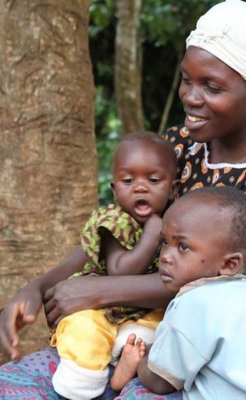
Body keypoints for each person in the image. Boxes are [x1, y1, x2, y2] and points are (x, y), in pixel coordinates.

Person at [0, 0, 246, 398]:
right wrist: (38, 286)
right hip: (141, 329)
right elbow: (118, 226)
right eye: (186, 80)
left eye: (211, 87)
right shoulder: (180, 145)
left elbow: (234, 291)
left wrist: (100, 291)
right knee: (14, 385)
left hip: (218, 362)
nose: (191, 98)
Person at [122, 187, 246, 399]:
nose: (165, 256)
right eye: (165, 242)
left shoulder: (193, 303)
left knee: (134, 392)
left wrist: (143, 361)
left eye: (182, 247)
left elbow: (161, 381)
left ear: (229, 264)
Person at [50, 132, 177, 399]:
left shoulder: (177, 221)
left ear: (173, 189)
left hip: (145, 311)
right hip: (103, 307)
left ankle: (126, 362)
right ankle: (81, 381)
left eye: (153, 180)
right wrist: (153, 235)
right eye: (128, 181)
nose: (140, 187)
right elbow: (121, 271)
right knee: (84, 326)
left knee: (164, 327)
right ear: (114, 188)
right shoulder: (112, 220)